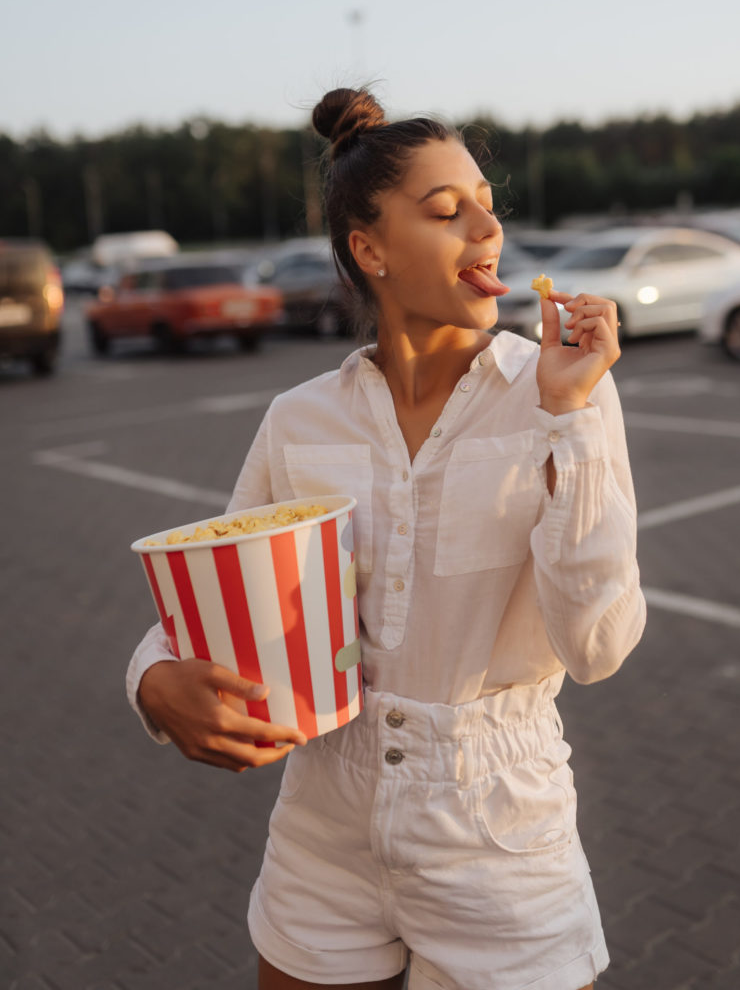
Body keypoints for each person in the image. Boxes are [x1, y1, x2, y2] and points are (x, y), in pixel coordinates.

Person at [126, 87, 646, 990]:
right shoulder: (299, 419)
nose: (487, 230)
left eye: (489, 205)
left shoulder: (561, 393)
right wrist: (150, 680)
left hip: (495, 831)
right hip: (323, 819)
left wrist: (570, 416)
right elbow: (215, 596)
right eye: (448, 211)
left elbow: (598, 647)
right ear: (370, 251)